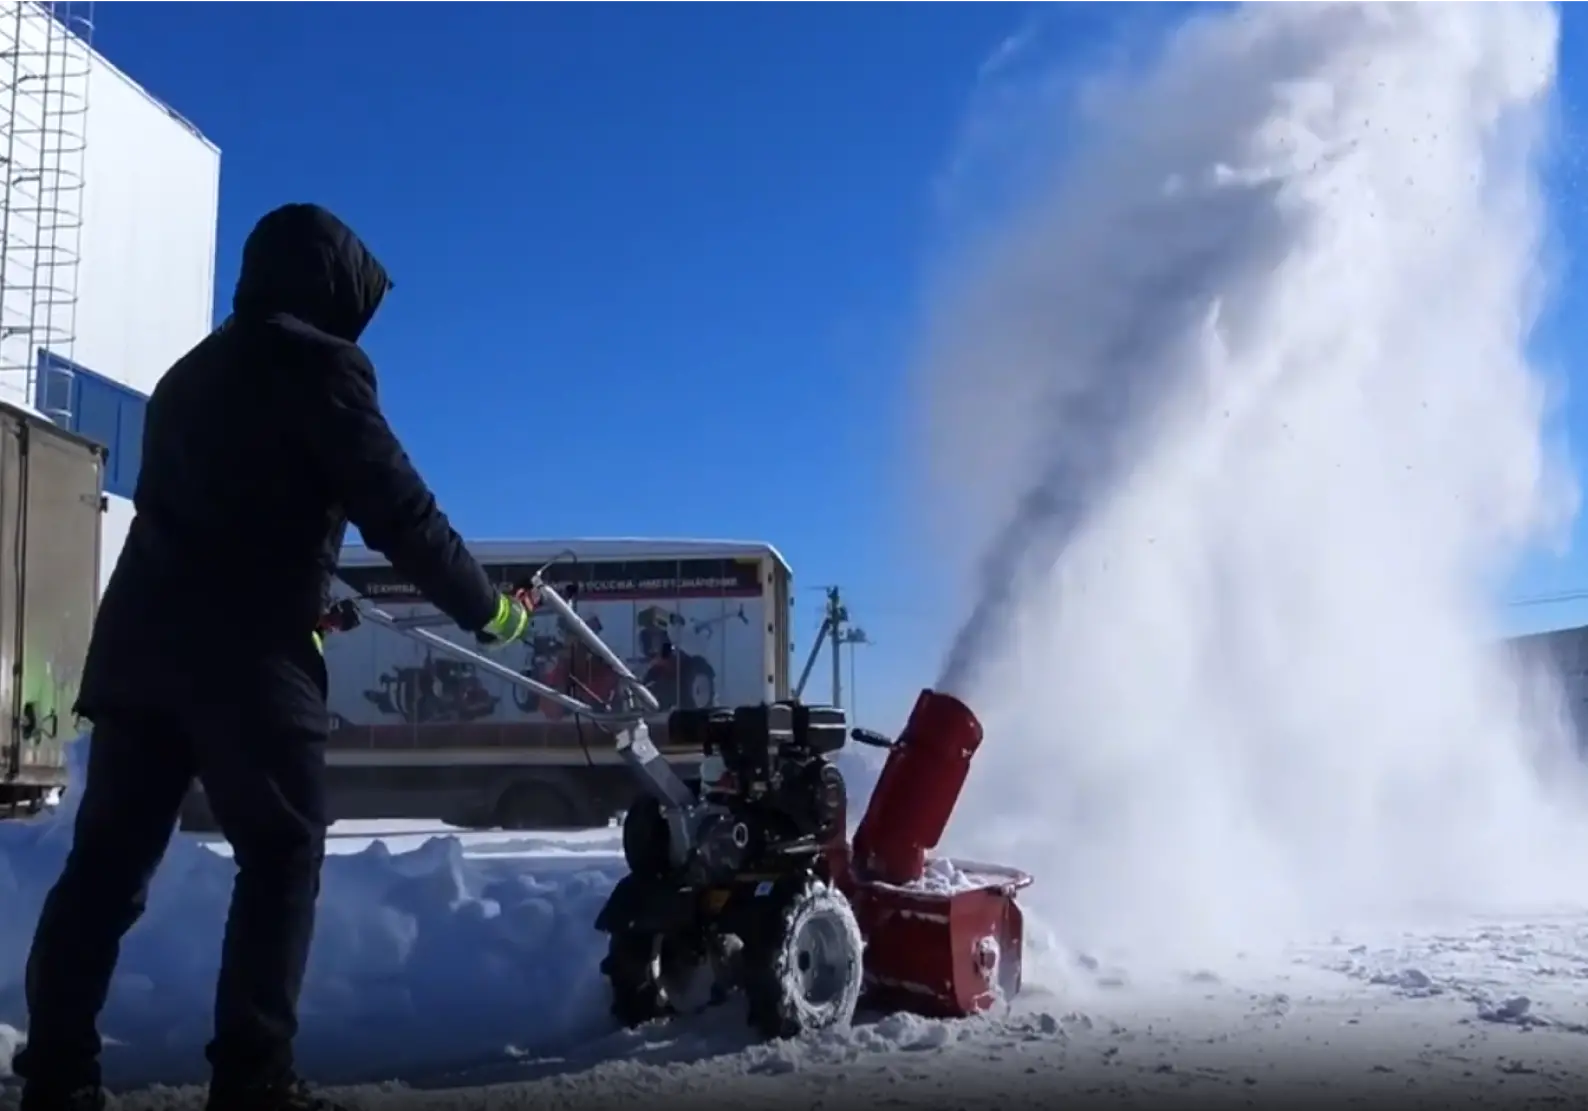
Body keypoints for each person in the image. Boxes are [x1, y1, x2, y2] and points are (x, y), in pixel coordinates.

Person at [13, 203, 533, 1111]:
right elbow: (400, 511)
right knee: (283, 850)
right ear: (327, 287)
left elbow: (225, 517)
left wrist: (298, 597)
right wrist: (490, 611)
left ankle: (56, 1074)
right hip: (247, 658)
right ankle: (252, 1080)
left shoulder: (187, 377)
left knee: (103, 869)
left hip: (139, 651)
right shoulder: (323, 366)